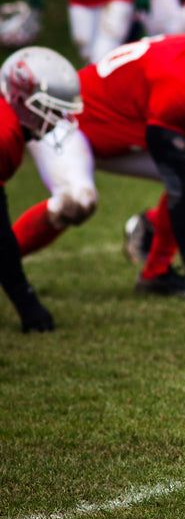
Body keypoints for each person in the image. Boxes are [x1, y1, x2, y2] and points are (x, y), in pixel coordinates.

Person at [12, 21, 185, 300]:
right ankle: (6, 261)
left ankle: (156, 273)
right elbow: (176, 172)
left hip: (119, 128)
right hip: (68, 123)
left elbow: (178, 125)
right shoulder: (180, 79)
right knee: (76, 201)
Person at [0, 48, 81, 333]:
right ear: (20, 99)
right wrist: (26, 301)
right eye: (49, 109)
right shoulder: (6, 134)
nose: (57, 119)